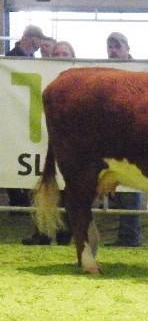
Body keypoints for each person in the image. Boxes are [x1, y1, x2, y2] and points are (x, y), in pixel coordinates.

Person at [21, 41, 76, 246]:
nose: (60, 56)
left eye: (65, 53)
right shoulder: (43, 74)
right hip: (42, 137)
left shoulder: (78, 80)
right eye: (57, 53)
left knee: (69, 190)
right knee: (43, 184)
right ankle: (42, 231)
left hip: (69, 142)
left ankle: (66, 233)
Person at [5, 25, 49, 213]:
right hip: (13, 114)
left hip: (28, 114)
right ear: (32, 39)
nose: (40, 44)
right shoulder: (10, 58)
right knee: (11, 152)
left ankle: (24, 199)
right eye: (39, 40)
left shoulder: (32, 60)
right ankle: (17, 200)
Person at [105, 32, 143, 247]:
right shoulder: (105, 71)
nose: (113, 50)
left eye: (117, 46)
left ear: (128, 48)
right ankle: (126, 234)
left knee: (131, 187)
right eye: (110, 46)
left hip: (134, 136)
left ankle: (130, 236)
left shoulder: (140, 70)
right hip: (114, 138)